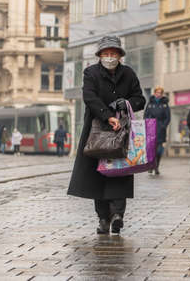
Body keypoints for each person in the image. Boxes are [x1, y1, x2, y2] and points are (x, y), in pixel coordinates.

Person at [67, 35, 146, 235]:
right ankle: (103, 218)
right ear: (100, 55)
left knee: (120, 172)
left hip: (121, 132)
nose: (110, 57)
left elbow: (139, 99)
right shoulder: (91, 73)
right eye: (106, 54)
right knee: (99, 175)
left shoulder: (128, 74)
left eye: (113, 54)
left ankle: (117, 215)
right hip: (97, 131)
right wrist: (108, 115)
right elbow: (89, 97)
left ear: (119, 55)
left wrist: (126, 103)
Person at [144, 86, 170, 175]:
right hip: (151, 129)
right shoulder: (150, 104)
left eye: (160, 93)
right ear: (154, 93)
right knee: (152, 150)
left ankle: (156, 166)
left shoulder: (165, 104)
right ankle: (151, 167)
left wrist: (163, 126)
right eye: (157, 92)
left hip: (160, 130)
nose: (158, 94)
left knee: (159, 150)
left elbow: (168, 117)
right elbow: (146, 115)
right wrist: (148, 124)